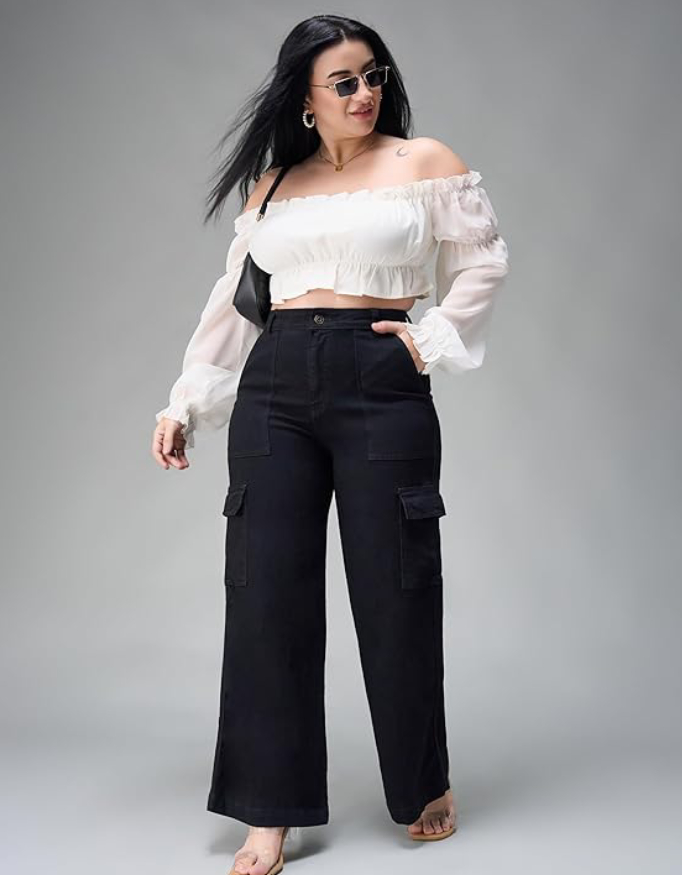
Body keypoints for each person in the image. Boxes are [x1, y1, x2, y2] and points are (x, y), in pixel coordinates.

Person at [152, 14, 509, 875]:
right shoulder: (274, 185)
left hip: (378, 378)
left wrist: (428, 340)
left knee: (397, 584)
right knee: (265, 595)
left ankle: (421, 781)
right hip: (275, 385)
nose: (364, 92)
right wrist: (187, 401)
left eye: (373, 74)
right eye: (343, 81)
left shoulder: (423, 161)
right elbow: (237, 302)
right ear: (305, 99)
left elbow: (484, 261)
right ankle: (267, 812)